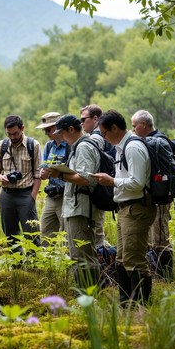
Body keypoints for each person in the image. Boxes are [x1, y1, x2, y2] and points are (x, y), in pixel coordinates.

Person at [92, 110, 157, 306]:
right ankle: (126, 303)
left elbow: (137, 182)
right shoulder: (122, 147)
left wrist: (112, 181)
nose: (104, 138)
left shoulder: (133, 147)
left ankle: (141, 305)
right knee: (122, 258)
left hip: (137, 208)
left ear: (114, 128)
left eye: (104, 133)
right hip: (125, 209)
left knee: (134, 259)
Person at [44, 114, 101, 289]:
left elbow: (86, 179)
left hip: (81, 207)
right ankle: (84, 294)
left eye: (62, 133)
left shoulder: (83, 147)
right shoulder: (77, 146)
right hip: (75, 206)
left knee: (82, 255)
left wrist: (60, 174)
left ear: (71, 129)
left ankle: (87, 297)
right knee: (77, 253)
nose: (60, 137)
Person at [131, 109, 174, 281]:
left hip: (160, 198)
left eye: (134, 126)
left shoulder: (158, 142)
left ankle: (167, 278)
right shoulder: (149, 142)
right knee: (150, 237)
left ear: (143, 124)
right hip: (150, 198)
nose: (133, 129)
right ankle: (156, 275)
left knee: (160, 237)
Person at [0, 115, 42, 258]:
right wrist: (1, 177)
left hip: (26, 194)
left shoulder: (33, 145)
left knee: (31, 234)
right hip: (7, 194)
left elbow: (38, 174)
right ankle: (17, 266)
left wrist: (33, 196)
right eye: (9, 134)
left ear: (22, 128)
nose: (13, 137)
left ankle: (34, 267)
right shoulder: (2, 146)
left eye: (16, 133)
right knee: (10, 235)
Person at [80, 104, 112, 249]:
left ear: (95, 118)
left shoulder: (96, 137)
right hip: (106, 187)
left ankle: (102, 265)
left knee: (97, 233)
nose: (81, 124)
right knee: (98, 230)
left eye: (83, 119)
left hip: (100, 188)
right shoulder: (106, 134)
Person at [37, 112, 70, 241]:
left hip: (66, 196)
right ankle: (46, 259)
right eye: (45, 130)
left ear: (58, 127)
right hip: (51, 196)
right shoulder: (49, 146)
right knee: (46, 231)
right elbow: (43, 172)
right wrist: (43, 174)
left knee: (66, 234)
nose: (46, 133)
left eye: (48, 129)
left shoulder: (70, 146)